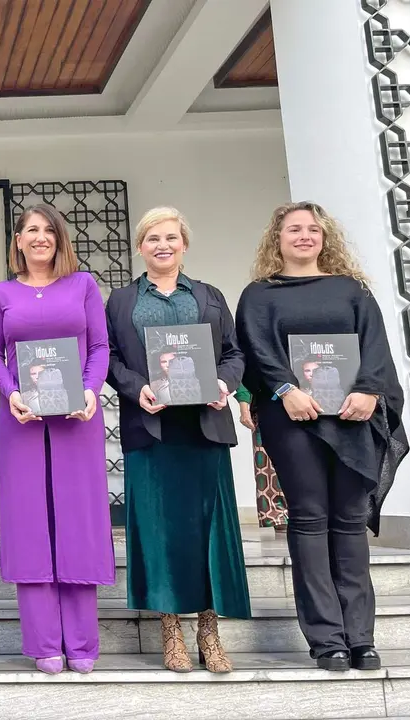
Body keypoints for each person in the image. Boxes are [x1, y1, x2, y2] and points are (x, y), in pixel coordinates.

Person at [236, 201, 408, 671]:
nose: (304, 236)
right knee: (309, 519)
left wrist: (370, 392)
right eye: (294, 229)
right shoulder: (259, 294)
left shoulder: (352, 291)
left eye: (313, 229)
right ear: (278, 238)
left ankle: (361, 638)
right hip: (292, 419)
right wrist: (286, 390)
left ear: (325, 237)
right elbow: (255, 348)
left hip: (353, 418)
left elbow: (375, 347)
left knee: (350, 522)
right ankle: (327, 640)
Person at [106, 207, 250, 673]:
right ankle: (171, 630)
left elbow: (233, 353)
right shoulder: (122, 301)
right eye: (152, 238)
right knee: (159, 529)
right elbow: (108, 358)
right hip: (152, 429)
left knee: (206, 528)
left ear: (184, 244)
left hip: (204, 430)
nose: (162, 245)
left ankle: (209, 630)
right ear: (140, 247)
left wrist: (225, 385)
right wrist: (136, 388)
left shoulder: (209, 296)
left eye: (171, 237)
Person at [0, 204, 113, 674]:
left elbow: (99, 347)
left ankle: (82, 642)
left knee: (77, 519)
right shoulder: (1, 293)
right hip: (21, 421)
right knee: (29, 523)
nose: (40, 237)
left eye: (48, 230)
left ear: (59, 239)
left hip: (77, 419)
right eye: (30, 230)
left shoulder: (83, 286)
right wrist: (12, 392)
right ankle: (43, 643)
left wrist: (91, 390)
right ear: (17, 241)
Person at [236, 383, 288, 532]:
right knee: (267, 465)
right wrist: (244, 407)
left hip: (310, 404)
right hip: (266, 405)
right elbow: (245, 374)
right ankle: (278, 516)